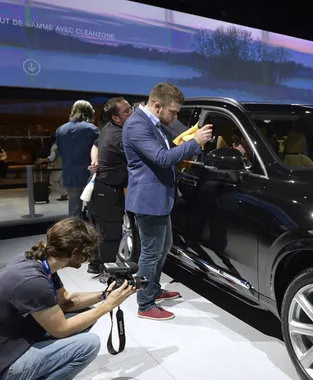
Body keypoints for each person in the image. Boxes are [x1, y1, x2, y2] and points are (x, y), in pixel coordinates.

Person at [0, 218, 136, 380]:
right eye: (86, 252)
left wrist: (103, 296)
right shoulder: (33, 281)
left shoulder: (38, 262)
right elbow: (61, 330)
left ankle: (43, 377)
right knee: (88, 344)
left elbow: (67, 302)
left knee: (84, 315)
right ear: (74, 252)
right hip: (4, 368)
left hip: (13, 341)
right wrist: (107, 306)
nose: (88, 258)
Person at [122, 82, 212, 321]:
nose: (174, 116)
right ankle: (145, 304)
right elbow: (162, 158)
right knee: (150, 253)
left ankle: (153, 289)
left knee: (163, 248)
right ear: (157, 105)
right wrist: (196, 143)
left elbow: (163, 153)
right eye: (172, 112)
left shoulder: (153, 123)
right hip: (148, 200)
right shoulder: (137, 125)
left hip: (159, 198)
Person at [89, 97, 133, 272]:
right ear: (116, 118)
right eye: (127, 111)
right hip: (108, 191)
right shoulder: (118, 137)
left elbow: (95, 145)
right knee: (110, 235)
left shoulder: (108, 128)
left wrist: (95, 161)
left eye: (131, 108)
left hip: (102, 189)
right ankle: (108, 273)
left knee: (103, 232)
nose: (132, 113)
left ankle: (96, 265)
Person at [56, 100, 100, 218]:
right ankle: (93, 234)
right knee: (93, 209)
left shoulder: (61, 130)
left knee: (74, 209)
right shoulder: (92, 129)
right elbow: (99, 151)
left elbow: (60, 152)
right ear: (89, 112)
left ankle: (74, 234)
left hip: (69, 174)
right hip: (90, 174)